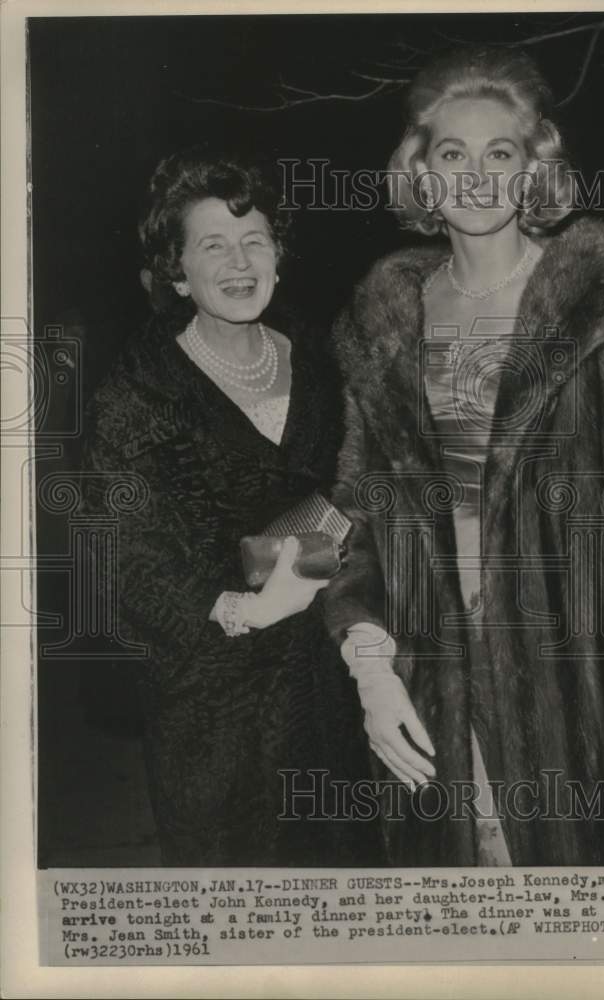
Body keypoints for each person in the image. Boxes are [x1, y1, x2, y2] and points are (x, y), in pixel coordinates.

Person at [325, 46, 604, 867]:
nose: (475, 177)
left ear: (533, 167)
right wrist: (369, 670)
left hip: (589, 684)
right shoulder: (381, 321)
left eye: (499, 153)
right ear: (421, 173)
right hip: (432, 688)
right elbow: (356, 517)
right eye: (451, 154)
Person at [81, 146, 381, 866]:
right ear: (178, 271)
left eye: (255, 240)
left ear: (279, 255)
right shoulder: (136, 394)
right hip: (213, 698)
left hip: (327, 683)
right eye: (212, 245)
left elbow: (368, 483)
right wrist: (240, 609)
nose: (239, 262)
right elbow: (126, 555)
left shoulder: (323, 359)